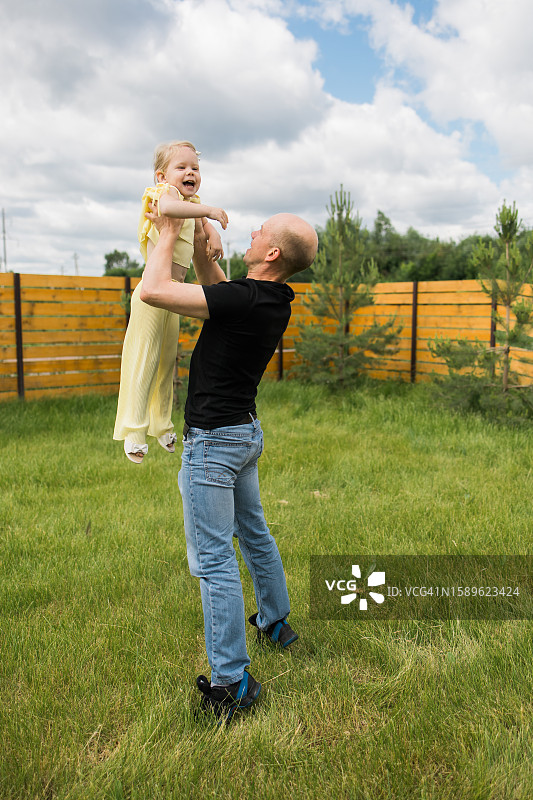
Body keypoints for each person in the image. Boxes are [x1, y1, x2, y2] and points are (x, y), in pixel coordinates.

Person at [140, 209, 318, 723]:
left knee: (214, 560)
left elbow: (154, 291)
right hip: (243, 434)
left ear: (272, 253)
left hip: (214, 445)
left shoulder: (245, 298)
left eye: (261, 230)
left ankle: (232, 681)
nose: (253, 231)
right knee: (254, 533)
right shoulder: (270, 298)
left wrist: (169, 228)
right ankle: (275, 622)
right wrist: (201, 239)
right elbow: (217, 289)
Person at [113, 140, 228, 463]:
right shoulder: (162, 195)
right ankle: (134, 431)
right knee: (144, 358)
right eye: (182, 167)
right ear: (161, 176)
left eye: (195, 168)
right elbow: (169, 211)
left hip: (173, 291)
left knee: (166, 361)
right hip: (151, 294)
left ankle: (162, 424)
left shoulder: (192, 203)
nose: (190, 172)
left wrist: (213, 233)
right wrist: (210, 212)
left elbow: (201, 227)